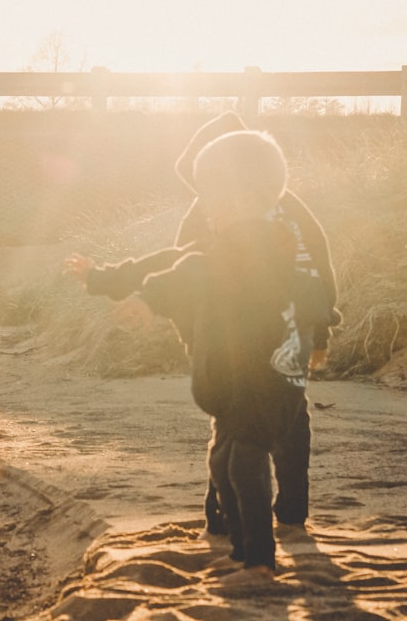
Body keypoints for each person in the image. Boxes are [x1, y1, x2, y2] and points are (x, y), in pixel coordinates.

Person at [64, 131, 334, 584]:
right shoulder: (237, 240)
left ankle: (260, 557)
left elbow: (193, 270)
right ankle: (242, 542)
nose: (206, 207)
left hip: (264, 378)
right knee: (222, 460)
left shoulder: (261, 244)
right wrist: (103, 279)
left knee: (245, 460)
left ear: (249, 195)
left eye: (215, 198)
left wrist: (148, 299)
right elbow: (175, 260)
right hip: (242, 379)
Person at [173, 113, 341, 535]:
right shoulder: (290, 208)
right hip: (286, 336)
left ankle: (225, 512)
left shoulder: (206, 213)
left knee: (232, 424)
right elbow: (319, 270)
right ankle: (290, 508)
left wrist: (193, 339)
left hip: (233, 341)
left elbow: (186, 280)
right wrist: (319, 328)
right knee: (288, 416)